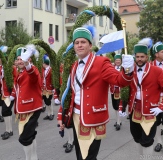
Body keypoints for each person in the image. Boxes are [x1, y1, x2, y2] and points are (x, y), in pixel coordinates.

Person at [57, 25, 134, 160]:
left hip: (93, 117)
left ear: (90, 45)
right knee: (80, 155)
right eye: (77, 43)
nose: (79, 45)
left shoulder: (101, 62)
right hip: (75, 117)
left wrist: (128, 71)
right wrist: (61, 115)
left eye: (83, 42)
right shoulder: (74, 66)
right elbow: (70, 92)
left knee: (89, 157)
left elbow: (119, 80)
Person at [10, 46, 42, 160]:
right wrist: (13, 96)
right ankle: (34, 157)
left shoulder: (32, 70)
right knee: (30, 136)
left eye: (22, 59)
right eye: (18, 59)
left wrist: (27, 63)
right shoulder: (21, 73)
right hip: (24, 109)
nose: (20, 61)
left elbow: (33, 75)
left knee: (24, 138)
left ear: (29, 59)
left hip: (32, 108)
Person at [110, 54, 124, 131]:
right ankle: (118, 120)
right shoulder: (112, 68)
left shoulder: (124, 68)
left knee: (119, 106)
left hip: (120, 90)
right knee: (115, 106)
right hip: (113, 89)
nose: (118, 62)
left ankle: (118, 122)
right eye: (116, 60)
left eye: (119, 60)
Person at [41, 54, 54, 120]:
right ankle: (48, 114)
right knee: (46, 101)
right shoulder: (43, 70)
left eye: (43, 63)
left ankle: (51, 114)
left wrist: (53, 88)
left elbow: (53, 79)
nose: (42, 64)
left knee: (49, 101)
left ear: (45, 63)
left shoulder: (51, 70)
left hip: (49, 88)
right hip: (44, 88)